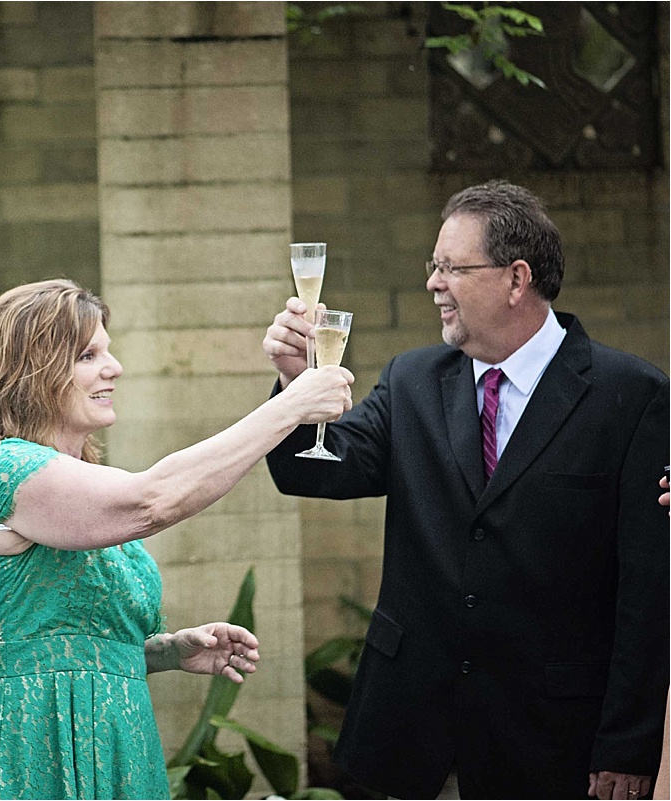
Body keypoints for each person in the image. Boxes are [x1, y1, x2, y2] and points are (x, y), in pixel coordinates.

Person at [262, 180, 669, 799]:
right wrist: (293, 391)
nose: (433, 283)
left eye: (452, 267)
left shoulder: (633, 397)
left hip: (554, 741)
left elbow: (649, 591)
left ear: (516, 278)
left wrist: (628, 743)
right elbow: (314, 470)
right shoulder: (412, 380)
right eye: (433, 266)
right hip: (411, 737)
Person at [0, 279, 354, 800]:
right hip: (26, 745)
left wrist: (163, 651)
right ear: (34, 372)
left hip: (114, 739)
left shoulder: (77, 478)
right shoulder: (2, 467)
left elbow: (54, 635)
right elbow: (153, 502)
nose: (113, 367)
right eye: (87, 355)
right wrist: (289, 408)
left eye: (107, 349)